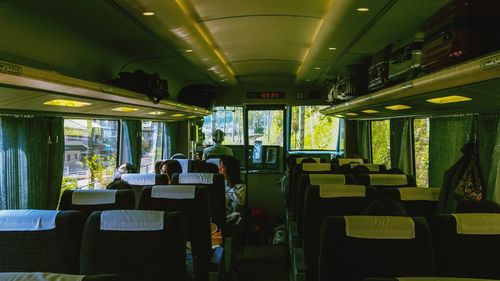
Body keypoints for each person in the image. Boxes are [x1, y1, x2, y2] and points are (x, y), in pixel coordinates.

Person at [219, 156, 245, 225]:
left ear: (230, 169)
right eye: (220, 166)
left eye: (223, 167)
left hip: (230, 215)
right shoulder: (218, 182)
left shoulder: (240, 186)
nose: (220, 169)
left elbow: (239, 203)